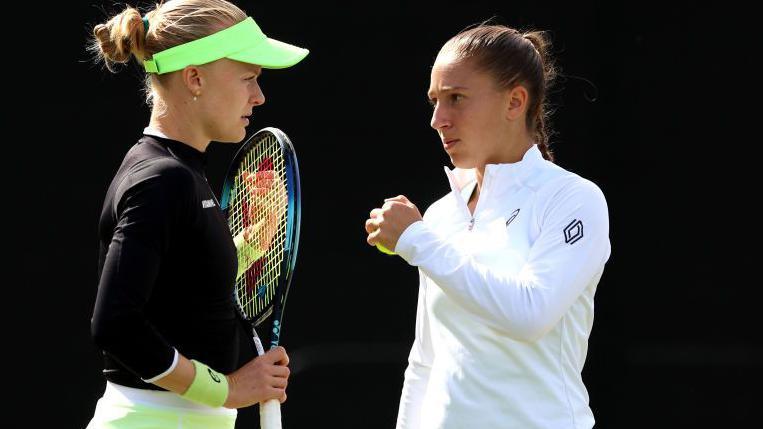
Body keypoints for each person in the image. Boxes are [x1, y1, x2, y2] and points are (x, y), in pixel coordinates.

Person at [365, 24, 611, 429]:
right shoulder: (441, 215)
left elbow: (530, 314)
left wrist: (417, 240)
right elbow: (426, 362)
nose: (437, 120)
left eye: (456, 98)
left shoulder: (574, 199)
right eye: (434, 101)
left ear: (515, 102)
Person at [87, 0, 308, 427]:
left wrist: (250, 241)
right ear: (195, 79)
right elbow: (115, 325)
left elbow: (180, 289)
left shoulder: (182, 172)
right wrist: (228, 390)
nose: (259, 96)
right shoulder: (161, 178)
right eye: (249, 78)